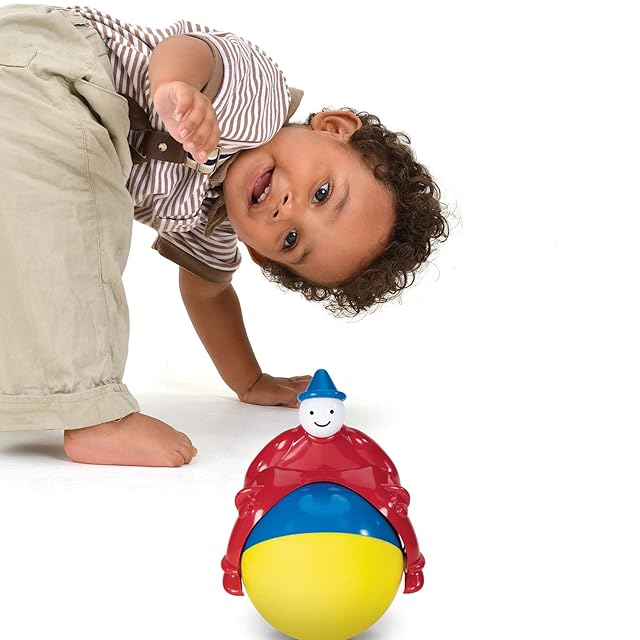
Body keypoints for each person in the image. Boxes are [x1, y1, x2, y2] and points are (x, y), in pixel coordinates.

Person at [0, 5, 448, 467]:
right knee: (81, 232)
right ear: (333, 129)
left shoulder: (202, 218)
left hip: (27, 113)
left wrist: (248, 381)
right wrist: (175, 86)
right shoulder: (259, 104)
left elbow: (209, 293)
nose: (287, 210)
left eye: (292, 240)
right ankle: (95, 416)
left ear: (259, 253)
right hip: (53, 69)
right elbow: (190, 50)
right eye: (322, 193)